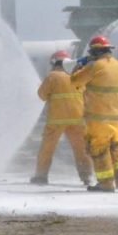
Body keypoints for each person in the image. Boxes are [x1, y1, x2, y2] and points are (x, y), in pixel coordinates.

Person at [71, 35, 118, 192]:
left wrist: (78, 67)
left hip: (98, 118)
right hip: (115, 118)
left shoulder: (94, 66)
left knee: (99, 149)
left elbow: (75, 82)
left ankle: (105, 183)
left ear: (95, 51)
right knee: (117, 148)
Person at [30, 50, 93, 186]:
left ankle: (41, 176)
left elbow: (42, 95)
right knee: (81, 149)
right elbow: (86, 97)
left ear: (54, 63)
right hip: (78, 118)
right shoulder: (78, 76)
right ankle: (86, 177)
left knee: (47, 148)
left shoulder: (53, 76)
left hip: (57, 119)